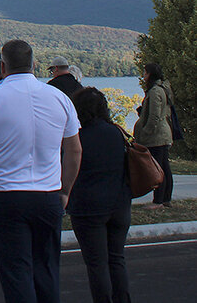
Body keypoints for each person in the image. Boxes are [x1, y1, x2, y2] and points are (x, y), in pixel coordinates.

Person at [0, 39, 83, 303]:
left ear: (3, 66)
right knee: (47, 271)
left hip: (6, 197)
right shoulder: (59, 99)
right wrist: (65, 191)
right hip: (48, 195)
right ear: (34, 65)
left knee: (16, 275)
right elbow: (74, 151)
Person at [67, 87, 132, 303]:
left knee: (97, 264)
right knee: (116, 259)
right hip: (119, 204)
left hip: (89, 207)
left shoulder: (77, 138)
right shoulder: (116, 133)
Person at [133, 63, 174, 209]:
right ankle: (165, 199)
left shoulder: (156, 91)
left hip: (157, 136)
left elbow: (155, 116)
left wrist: (146, 133)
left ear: (150, 74)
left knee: (158, 168)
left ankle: (159, 201)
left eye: (145, 73)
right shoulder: (159, 89)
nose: (143, 76)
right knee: (164, 167)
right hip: (161, 134)